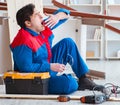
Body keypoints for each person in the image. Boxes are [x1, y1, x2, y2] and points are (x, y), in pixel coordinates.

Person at [10, 3, 104, 94]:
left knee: (68, 43)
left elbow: (66, 14)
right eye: (37, 15)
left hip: (46, 67)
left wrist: (57, 17)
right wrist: (50, 66)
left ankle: (84, 79)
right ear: (28, 23)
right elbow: (26, 68)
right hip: (35, 79)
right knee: (69, 84)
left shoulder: (41, 27)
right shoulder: (22, 40)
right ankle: (72, 80)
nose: (41, 16)